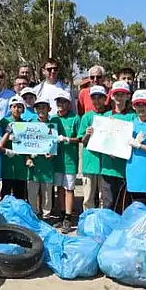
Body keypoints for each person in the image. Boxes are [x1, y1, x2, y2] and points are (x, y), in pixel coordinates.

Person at [89, 81, 135, 211]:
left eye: (122, 94)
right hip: (107, 168)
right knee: (108, 204)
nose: (119, 98)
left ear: (128, 96)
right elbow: (98, 142)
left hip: (125, 169)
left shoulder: (133, 117)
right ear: (112, 97)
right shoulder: (105, 117)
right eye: (116, 95)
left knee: (123, 204)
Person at [51, 91, 80, 231]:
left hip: (70, 161)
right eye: (58, 102)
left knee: (69, 189)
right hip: (56, 160)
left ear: (69, 103)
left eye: (63, 102)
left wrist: (68, 139)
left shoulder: (75, 118)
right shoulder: (53, 119)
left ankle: (68, 218)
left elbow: (80, 138)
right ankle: (62, 215)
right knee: (60, 189)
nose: (60, 104)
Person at [77, 85, 110, 211]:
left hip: (106, 164)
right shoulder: (86, 117)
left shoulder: (109, 116)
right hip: (90, 163)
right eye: (94, 98)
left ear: (105, 98)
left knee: (104, 196)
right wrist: (87, 134)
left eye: (100, 97)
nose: (97, 101)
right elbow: (82, 141)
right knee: (88, 197)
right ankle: (88, 219)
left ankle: (103, 219)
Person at [23, 99, 57, 219]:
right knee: (32, 193)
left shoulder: (53, 125)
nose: (41, 110)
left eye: (44, 107)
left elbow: (55, 144)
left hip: (47, 165)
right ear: (35, 109)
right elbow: (25, 144)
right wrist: (27, 158)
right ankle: (33, 214)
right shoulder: (29, 124)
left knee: (47, 193)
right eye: (39, 107)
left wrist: (52, 153)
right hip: (33, 165)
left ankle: (46, 216)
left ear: (49, 109)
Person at [0, 97, 30, 200]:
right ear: (10, 108)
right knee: (6, 192)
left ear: (23, 109)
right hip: (7, 163)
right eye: (14, 106)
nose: (17, 109)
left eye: (19, 107)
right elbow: (0, 143)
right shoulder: (4, 122)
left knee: (20, 194)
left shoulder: (25, 124)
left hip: (20, 164)